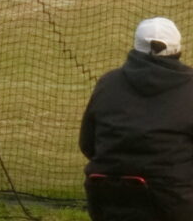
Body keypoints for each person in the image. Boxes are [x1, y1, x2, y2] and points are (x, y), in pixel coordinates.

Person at [80, 17, 193, 220]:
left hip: (106, 199)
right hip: (172, 202)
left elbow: (88, 144)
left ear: (136, 47)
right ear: (177, 49)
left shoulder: (108, 82)